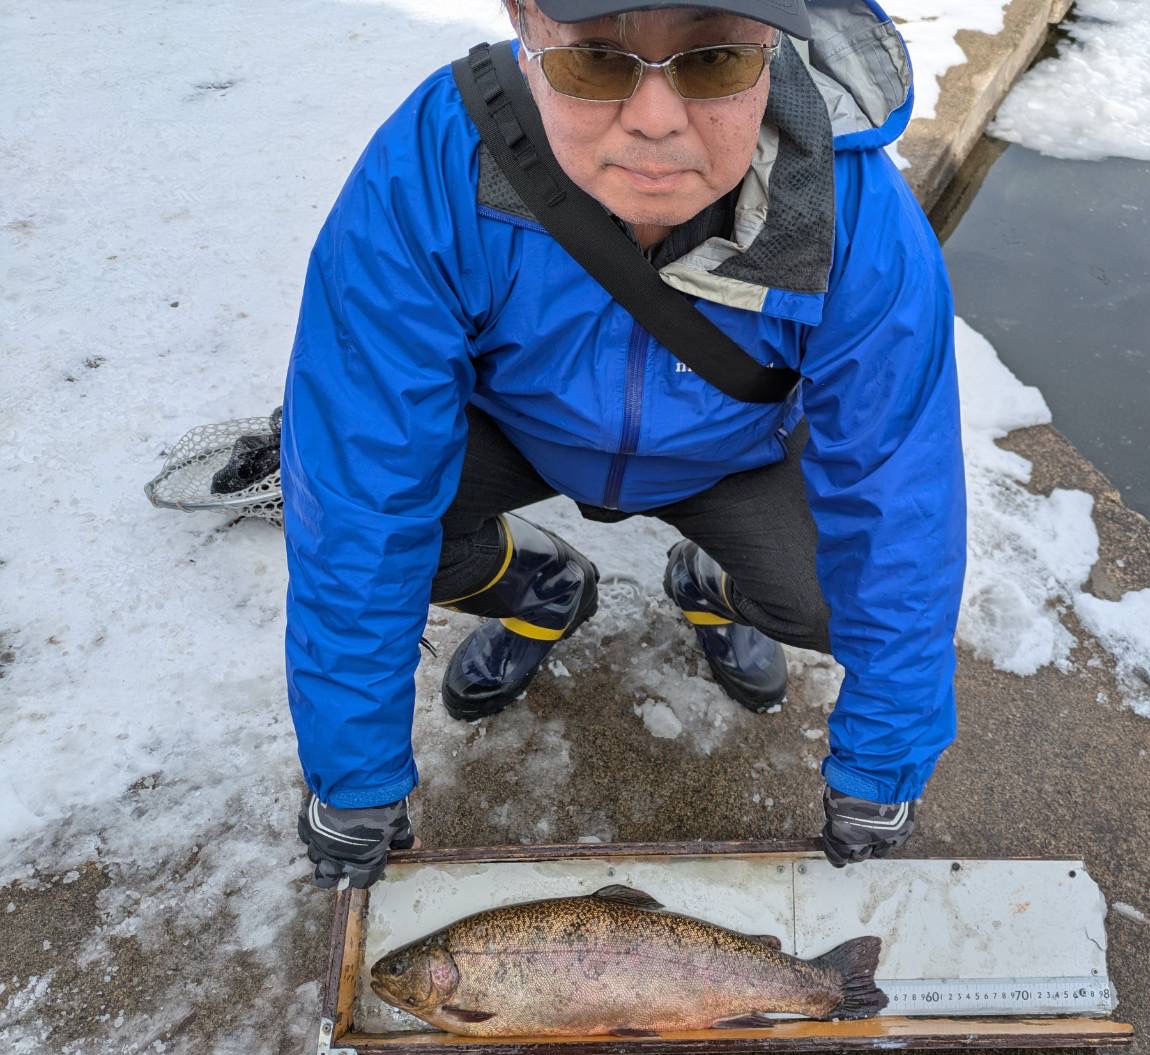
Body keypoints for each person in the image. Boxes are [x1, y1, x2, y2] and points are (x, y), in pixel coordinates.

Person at [285, 0, 966, 888]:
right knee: (400, 538)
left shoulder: (855, 213)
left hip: (733, 451)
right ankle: (540, 588)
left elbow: (898, 501)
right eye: (596, 63)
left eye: (715, 61)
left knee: (835, 598)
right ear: (525, 23)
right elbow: (357, 495)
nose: (654, 119)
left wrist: (882, 764)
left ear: (781, 38)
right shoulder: (433, 167)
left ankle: (712, 584)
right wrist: (355, 776)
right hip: (515, 430)